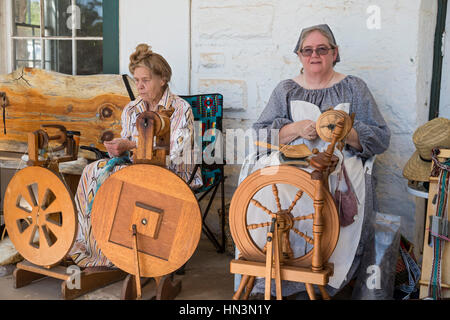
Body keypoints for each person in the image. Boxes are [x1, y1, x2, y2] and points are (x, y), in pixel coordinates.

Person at [240, 24, 391, 298]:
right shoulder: (285, 89)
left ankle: (324, 273)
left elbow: (380, 138)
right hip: (292, 162)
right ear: (299, 55)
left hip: (336, 162)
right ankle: (271, 265)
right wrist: (296, 129)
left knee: (327, 182)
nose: (315, 55)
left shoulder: (354, 88)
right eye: (307, 50)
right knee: (268, 180)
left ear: (335, 53)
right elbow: (259, 133)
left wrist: (345, 131)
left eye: (322, 49)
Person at [68, 44, 202, 268]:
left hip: (174, 172)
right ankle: (89, 244)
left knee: (118, 180)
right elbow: (129, 146)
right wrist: (118, 148)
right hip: (136, 167)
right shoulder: (132, 109)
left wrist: (130, 144)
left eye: (146, 80)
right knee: (93, 170)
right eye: (136, 80)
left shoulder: (180, 109)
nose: (139, 86)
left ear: (163, 79)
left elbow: (175, 154)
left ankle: (111, 252)